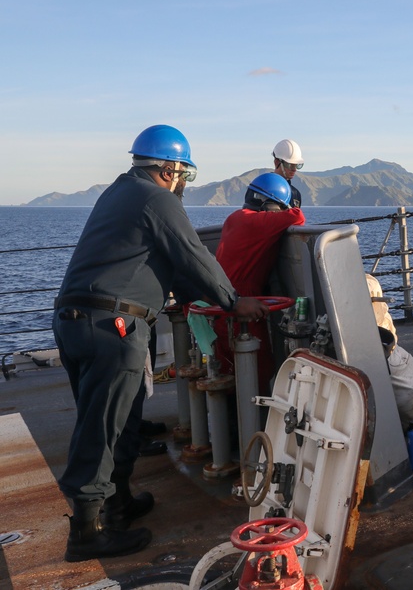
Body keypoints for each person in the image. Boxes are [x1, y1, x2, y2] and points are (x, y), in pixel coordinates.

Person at [52, 125, 271, 562]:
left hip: (77, 320)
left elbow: (159, 259)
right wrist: (233, 302)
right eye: (184, 175)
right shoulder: (158, 199)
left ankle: (116, 505)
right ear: (169, 169)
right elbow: (191, 255)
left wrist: (191, 296)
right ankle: (86, 533)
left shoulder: (120, 191)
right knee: (104, 426)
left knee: (118, 417)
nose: (184, 183)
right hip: (111, 327)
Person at [213, 172, 306, 393]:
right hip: (243, 305)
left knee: (232, 374)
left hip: (222, 303)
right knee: (259, 375)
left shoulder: (235, 217)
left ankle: (235, 425)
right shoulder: (257, 222)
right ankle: (255, 424)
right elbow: (297, 217)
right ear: (270, 206)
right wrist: (286, 209)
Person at [271, 139, 304, 208]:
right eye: (290, 165)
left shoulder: (296, 194)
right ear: (277, 162)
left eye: (297, 165)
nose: (294, 169)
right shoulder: (262, 190)